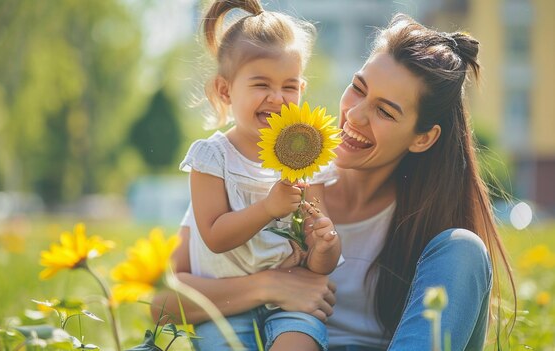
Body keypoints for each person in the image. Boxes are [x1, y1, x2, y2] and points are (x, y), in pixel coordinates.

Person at [154, 13, 516, 351]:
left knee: (465, 247)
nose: (355, 116)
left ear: (422, 138)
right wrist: (267, 286)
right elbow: (163, 303)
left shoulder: (427, 222)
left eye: (385, 111)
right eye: (358, 88)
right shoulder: (259, 178)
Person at [175, 0, 342, 350]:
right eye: (261, 84)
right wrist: (268, 208)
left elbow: (317, 261)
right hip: (224, 308)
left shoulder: (305, 159)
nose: (277, 98)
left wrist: (326, 243)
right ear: (225, 90)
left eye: (290, 86)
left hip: (290, 304)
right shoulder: (213, 157)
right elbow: (214, 236)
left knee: (299, 342)